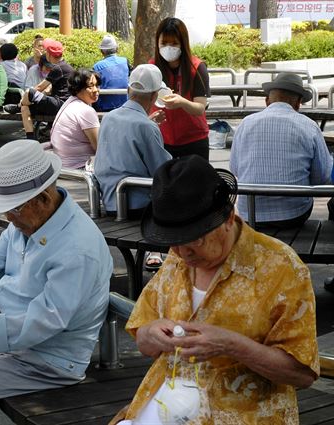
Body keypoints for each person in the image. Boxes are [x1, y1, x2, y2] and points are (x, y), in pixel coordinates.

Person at [110, 155, 319, 424]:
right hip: (168, 403)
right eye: (173, 242)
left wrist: (231, 345)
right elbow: (143, 340)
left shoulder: (281, 267)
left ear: (229, 218)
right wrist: (152, 333)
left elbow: (302, 375)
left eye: (193, 240)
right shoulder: (178, 256)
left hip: (243, 415)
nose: (182, 252)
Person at [0, 139, 113, 424]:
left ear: (43, 198)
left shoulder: (77, 248)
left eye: (14, 209)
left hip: (50, 358)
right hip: (17, 339)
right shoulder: (30, 221)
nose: (8, 217)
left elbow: (48, 318)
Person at [230, 72, 333, 228]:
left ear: (267, 101)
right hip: (292, 214)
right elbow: (323, 177)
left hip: (249, 214)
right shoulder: (309, 126)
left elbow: (235, 169)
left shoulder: (245, 123)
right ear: (298, 103)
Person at [95, 64, 171, 219]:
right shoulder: (147, 127)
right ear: (154, 96)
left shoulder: (108, 118)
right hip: (139, 207)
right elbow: (161, 170)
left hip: (109, 202)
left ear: (129, 91)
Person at [150, 17, 211, 160]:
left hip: (194, 141)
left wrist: (182, 102)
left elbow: (200, 108)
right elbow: (143, 101)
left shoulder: (197, 68)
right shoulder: (151, 67)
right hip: (162, 140)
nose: (168, 47)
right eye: (164, 43)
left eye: (174, 43)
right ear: (157, 43)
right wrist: (151, 118)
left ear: (183, 44)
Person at [4, 38, 74, 140]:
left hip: (60, 104)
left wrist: (29, 96)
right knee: (25, 108)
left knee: (29, 92)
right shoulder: (64, 66)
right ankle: (30, 138)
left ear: (49, 54)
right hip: (59, 104)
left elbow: (40, 87)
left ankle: (18, 106)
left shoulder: (58, 68)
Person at [43, 68, 100, 169]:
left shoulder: (70, 102)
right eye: (90, 86)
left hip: (62, 163)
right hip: (79, 167)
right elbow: (99, 148)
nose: (96, 90)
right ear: (78, 88)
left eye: (97, 85)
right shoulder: (86, 111)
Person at [93, 34, 130, 112]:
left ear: (102, 51)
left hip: (105, 107)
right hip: (125, 104)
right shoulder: (125, 61)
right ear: (117, 49)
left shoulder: (97, 67)